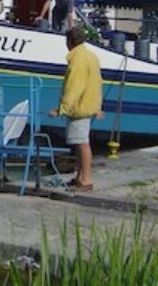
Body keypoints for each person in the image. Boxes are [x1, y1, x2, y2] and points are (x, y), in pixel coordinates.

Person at [48, 27, 103, 192]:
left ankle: (86, 180)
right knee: (80, 142)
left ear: (69, 42)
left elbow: (74, 87)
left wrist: (61, 109)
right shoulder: (91, 57)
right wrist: (98, 106)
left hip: (79, 108)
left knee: (82, 143)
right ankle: (80, 176)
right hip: (89, 106)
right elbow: (98, 82)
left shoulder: (77, 59)